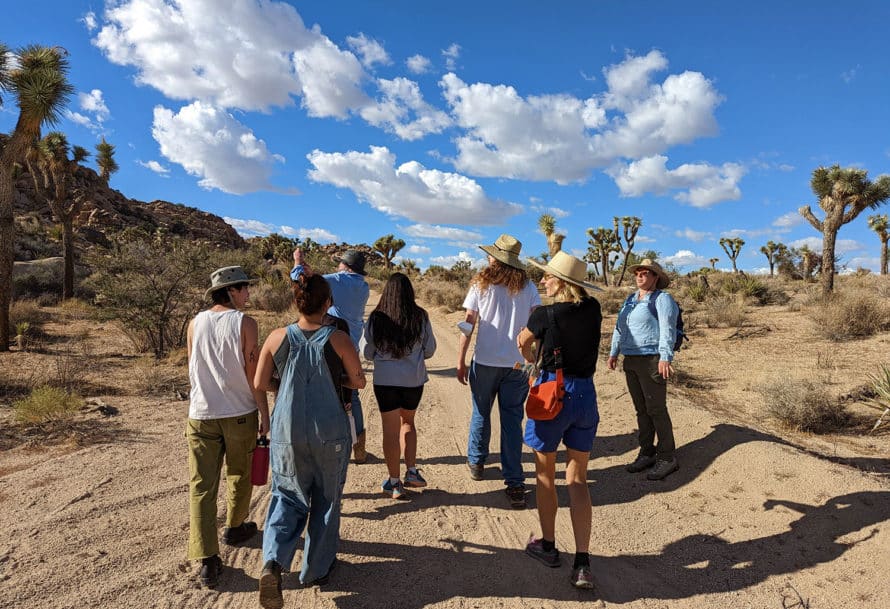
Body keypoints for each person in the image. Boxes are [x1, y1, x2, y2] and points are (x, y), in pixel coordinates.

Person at [256, 270, 366, 608]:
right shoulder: (338, 339)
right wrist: (339, 382)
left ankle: (274, 563)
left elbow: (260, 381)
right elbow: (359, 382)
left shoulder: (276, 337)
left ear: (297, 301)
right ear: (328, 303)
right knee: (326, 499)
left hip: (288, 430)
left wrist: (285, 387)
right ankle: (317, 568)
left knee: (286, 496)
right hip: (329, 430)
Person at [517, 251, 602, 590]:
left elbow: (523, 342)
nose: (543, 281)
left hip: (552, 393)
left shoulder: (543, 314)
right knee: (578, 479)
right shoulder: (593, 309)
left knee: (545, 475)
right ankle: (582, 562)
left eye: (548, 277)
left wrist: (532, 361)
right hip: (585, 394)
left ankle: (549, 546)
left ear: (563, 282)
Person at [186, 266, 270, 588]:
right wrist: (264, 412)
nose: (248, 293)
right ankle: (235, 527)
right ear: (232, 291)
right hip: (239, 412)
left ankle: (207, 557)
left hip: (201, 414)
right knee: (240, 472)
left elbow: (191, 367)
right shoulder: (246, 324)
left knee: (201, 486)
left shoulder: (195, 324)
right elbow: (253, 373)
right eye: (245, 288)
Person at [457, 234, 540, 509]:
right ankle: (515, 480)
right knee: (512, 420)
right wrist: (533, 362)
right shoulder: (527, 286)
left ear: (496, 257)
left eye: (491, 254)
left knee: (481, 412)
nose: (488, 257)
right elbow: (536, 325)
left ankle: (477, 462)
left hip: (486, 360)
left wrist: (461, 358)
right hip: (518, 363)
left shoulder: (481, 283)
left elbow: (468, 323)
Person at [360, 272, 437, 500]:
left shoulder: (376, 318)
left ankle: (394, 483)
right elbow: (430, 349)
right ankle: (411, 471)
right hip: (413, 381)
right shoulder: (420, 316)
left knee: (389, 431)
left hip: (385, 382)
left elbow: (366, 352)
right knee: (408, 423)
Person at [292, 248, 370, 464]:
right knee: (352, 396)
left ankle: (327, 445)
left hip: (331, 342)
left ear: (344, 266)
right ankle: (359, 448)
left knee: (326, 391)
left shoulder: (338, 280)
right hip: (351, 344)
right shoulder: (363, 286)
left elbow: (303, 282)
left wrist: (298, 262)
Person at [607, 258, 680, 481]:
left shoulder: (663, 299)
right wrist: (613, 352)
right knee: (641, 410)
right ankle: (647, 452)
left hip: (652, 359)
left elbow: (668, 329)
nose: (640, 276)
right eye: (638, 273)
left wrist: (665, 358)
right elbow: (620, 327)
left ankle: (667, 457)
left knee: (656, 408)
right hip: (631, 359)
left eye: (646, 273)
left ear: (655, 277)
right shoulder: (630, 300)